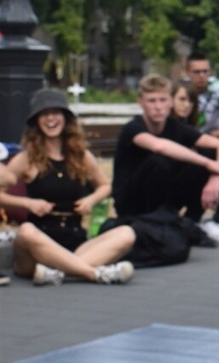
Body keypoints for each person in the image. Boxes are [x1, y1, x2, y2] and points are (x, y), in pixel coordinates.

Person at [0, 88, 136, 286]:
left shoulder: (81, 156)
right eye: (44, 114)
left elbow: (106, 186)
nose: (50, 119)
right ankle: (95, 274)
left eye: (56, 113)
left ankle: (59, 272)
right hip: (38, 243)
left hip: (75, 240)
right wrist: (28, 203)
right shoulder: (26, 158)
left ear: (65, 118)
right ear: (36, 121)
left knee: (127, 233)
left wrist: (92, 199)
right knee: (26, 231)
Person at [112, 74, 219, 221]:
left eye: (163, 100)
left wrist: (215, 177)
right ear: (141, 103)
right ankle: (153, 223)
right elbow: (159, 146)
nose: (158, 107)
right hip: (132, 203)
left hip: (163, 197)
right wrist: (209, 164)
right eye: (151, 101)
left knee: (208, 153)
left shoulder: (175, 126)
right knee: (159, 162)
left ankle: (190, 223)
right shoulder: (133, 128)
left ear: (170, 102)